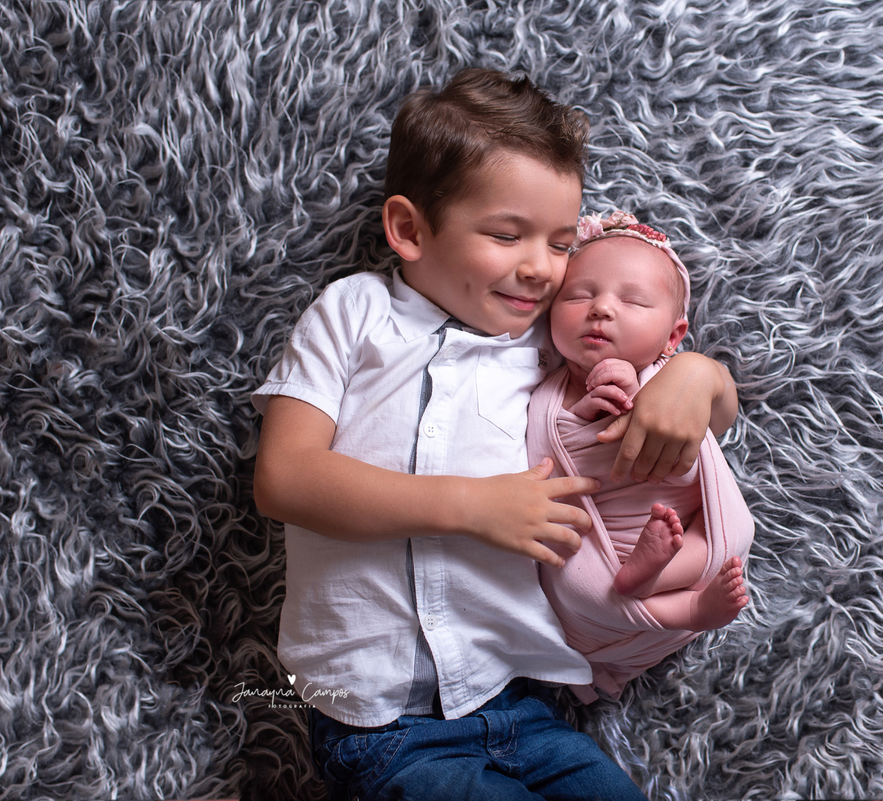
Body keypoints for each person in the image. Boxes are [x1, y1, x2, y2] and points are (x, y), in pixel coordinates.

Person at [252, 69, 737, 800]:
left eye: (561, 244)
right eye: (507, 235)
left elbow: (701, 417)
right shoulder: (354, 314)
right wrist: (473, 505)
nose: (540, 269)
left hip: (520, 702)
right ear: (410, 230)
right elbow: (284, 478)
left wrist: (697, 374)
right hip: (378, 718)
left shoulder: (551, 343)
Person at [527, 211, 755, 703]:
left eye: (631, 301)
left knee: (735, 534)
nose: (601, 309)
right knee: (580, 588)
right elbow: (553, 446)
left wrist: (679, 380)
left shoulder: (673, 377)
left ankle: (653, 582)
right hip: (602, 549)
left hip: (681, 534)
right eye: (578, 296)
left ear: (673, 336)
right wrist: (589, 412)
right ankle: (686, 607)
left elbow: (715, 427)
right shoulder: (539, 392)